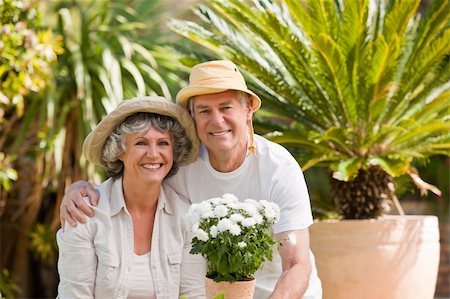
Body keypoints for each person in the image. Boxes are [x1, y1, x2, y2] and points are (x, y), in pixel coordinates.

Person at [60, 60, 322, 299]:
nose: (217, 120)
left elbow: (296, 265)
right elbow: (135, 178)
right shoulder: (181, 163)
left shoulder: (278, 168)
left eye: (226, 107)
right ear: (192, 116)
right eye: (205, 110)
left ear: (248, 110)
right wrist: (79, 189)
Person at [56, 96, 205, 298]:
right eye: (141, 143)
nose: (153, 154)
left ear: (173, 151)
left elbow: (193, 294)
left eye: (163, 143)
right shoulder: (85, 213)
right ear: (119, 151)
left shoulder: (186, 217)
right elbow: (75, 295)